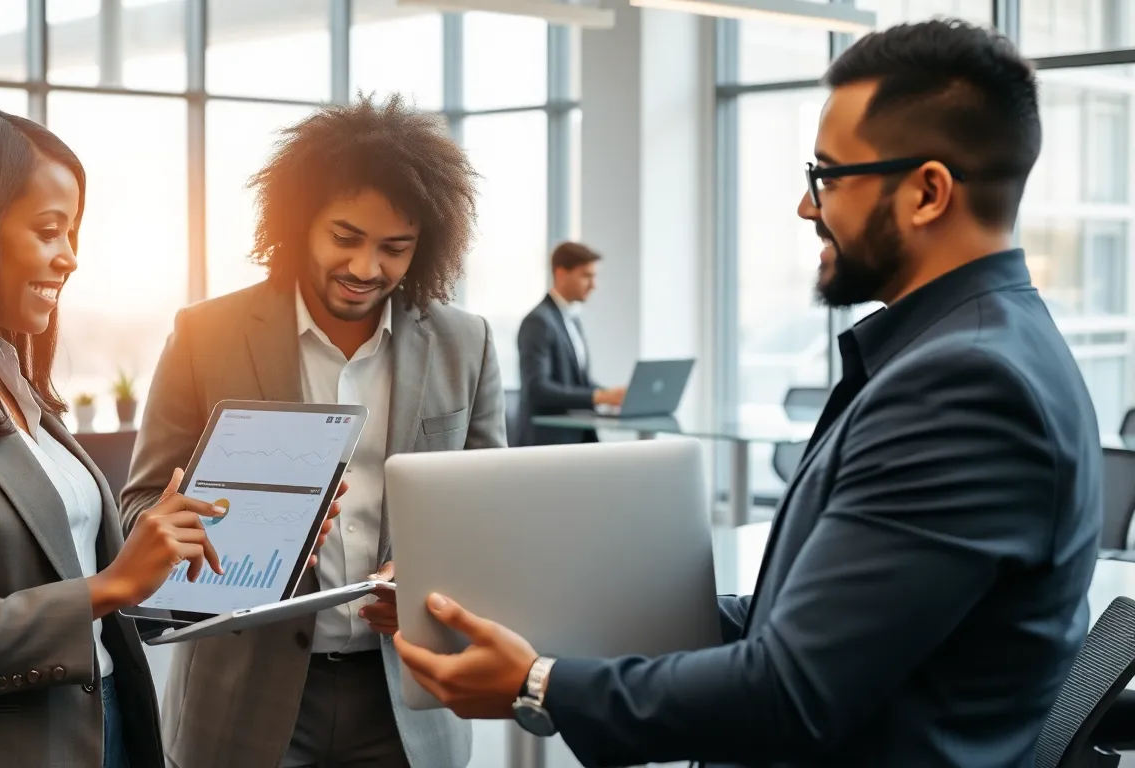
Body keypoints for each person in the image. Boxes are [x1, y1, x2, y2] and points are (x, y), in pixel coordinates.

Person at [394, 19, 1102, 768]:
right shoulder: (970, 350)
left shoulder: (967, 386)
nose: (807, 207)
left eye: (826, 176)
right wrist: (515, 613)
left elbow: (790, 693)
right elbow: (800, 630)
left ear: (927, 192)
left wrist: (539, 684)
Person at [0, 99, 340, 768]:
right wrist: (112, 584)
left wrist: (250, 542)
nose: (70, 258)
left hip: (103, 733)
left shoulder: (1, 366)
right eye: (50, 230)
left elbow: (75, 573)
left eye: (73, 233)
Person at [120, 93, 507, 768]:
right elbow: (140, 510)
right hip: (244, 698)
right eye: (345, 237)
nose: (365, 269)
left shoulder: (464, 343)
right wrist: (225, 526)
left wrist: (424, 578)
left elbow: (489, 515)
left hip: (404, 700)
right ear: (300, 223)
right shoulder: (205, 336)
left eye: (394, 248)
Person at [516, 241, 625, 446]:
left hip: (577, 436)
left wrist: (611, 395)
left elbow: (576, 381)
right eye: (586, 276)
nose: (594, 284)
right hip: (548, 442)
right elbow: (538, 388)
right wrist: (599, 396)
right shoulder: (538, 321)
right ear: (561, 274)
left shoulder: (572, 319)